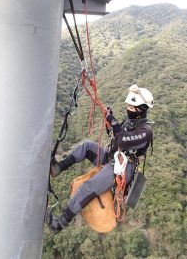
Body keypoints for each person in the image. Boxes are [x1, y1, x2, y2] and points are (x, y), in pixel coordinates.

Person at [46, 84, 154, 232]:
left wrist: (113, 120)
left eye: (131, 107)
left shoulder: (145, 131)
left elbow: (122, 140)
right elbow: (115, 134)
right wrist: (110, 120)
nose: (128, 109)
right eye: (128, 106)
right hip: (113, 158)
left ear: (140, 111)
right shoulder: (130, 123)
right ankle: (58, 168)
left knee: (87, 188)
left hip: (122, 169)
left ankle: (59, 224)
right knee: (87, 146)